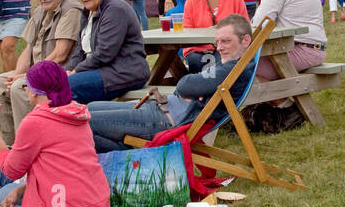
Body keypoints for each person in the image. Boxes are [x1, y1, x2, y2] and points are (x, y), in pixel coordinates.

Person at [0, 60, 110, 207]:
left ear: (33, 91)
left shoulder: (36, 122)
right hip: (97, 204)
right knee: (5, 194)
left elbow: (11, 170)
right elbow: (64, 170)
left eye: (26, 85)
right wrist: (20, 191)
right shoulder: (76, 112)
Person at [88, 15, 256, 150]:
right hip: (162, 108)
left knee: (85, 121)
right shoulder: (231, 62)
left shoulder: (233, 69)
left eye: (225, 41)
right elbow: (189, 86)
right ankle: (123, 154)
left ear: (246, 40)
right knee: (90, 108)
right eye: (217, 42)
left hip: (163, 120)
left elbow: (184, 86)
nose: (219, 48)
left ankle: (121, 157)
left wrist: (192, 87)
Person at [0, 0, 83, 146]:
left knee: (17, 88)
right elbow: (28, 49)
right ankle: (9, 143)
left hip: (55, 75)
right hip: (36, 70)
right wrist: (17, 73)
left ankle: (28, 146)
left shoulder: (71, 10)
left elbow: (60, 54)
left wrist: (28, 76)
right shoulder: (40, 11)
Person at [66, 0, 148, 104]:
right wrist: (68, 69)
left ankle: (78, 123)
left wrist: (76, 71)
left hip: (124, 72)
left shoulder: (115, 9)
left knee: (65, 87)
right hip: (101, 71)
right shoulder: (88, 12)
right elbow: (80, 50)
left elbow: (105, 53)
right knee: (51, 84)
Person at [181, 0, 249, 72]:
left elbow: (245, 25)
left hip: (230, 48)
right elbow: (187, 33)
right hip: (199, 51)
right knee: (199, 61)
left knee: (223, 60)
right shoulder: (192, 1)